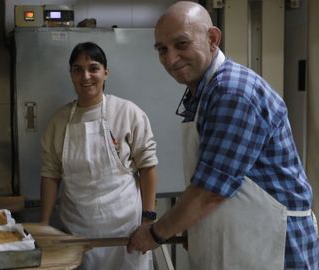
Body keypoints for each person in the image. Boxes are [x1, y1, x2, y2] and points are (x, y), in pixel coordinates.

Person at [127, 1, 319, 270]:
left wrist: (157, 233)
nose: (170, 59)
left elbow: (210, 191)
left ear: (212, 38)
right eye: (162, 49)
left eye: (181, 44)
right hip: (243, 239)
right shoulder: (204, 93)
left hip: (273, 247)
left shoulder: (232, 92)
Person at [40, 41, 158, 270]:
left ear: (106, 72)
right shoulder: (59, 121)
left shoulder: (127, 112)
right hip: (78, 232)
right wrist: (43, 224)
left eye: (93, 68)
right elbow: (50, 174)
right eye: (78, 69)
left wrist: (148, 220)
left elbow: (148, 167)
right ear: (71, 75)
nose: (86, 76)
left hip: (127, 233)